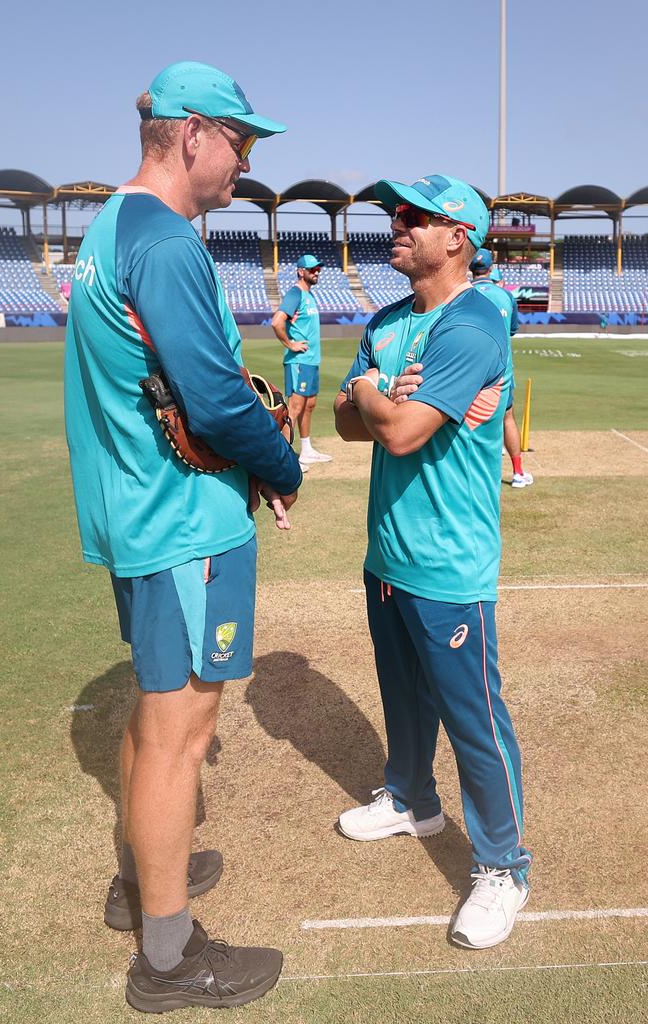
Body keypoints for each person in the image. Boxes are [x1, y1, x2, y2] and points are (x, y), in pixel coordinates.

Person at [63, 60, 302, 1013]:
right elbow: (210, 398)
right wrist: (282, 468)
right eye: (241, 142)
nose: (245, 162)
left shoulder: (110, 225)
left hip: (137, 511)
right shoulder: (167, 243)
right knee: (180, 733)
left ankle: (141, 883)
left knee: (151, 708)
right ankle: (168, 960)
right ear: (193, 133)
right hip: (183, 522)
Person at [334, 174, 532, 950]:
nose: (396, 225)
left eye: (415, 217)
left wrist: (373, 396)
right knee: (404, 696)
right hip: (389, 555)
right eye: (394, 215)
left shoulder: (473, 325)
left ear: (460, 237)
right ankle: (411, 797)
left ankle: (503, 867)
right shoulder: (388, 321)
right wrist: (371, 391)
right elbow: (353, 424)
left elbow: (399, 431)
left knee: (476, 721)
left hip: (451, 563)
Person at [470, 250, 533, 488]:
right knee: (507, 418)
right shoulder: (505, 296)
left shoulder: (463, 293)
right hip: (502, 372)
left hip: (469, 371)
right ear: (490, 268)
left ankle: (476, 476)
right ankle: (517, 473)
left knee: (466, 421)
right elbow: (512, 330)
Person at [271, 254, 332, 469]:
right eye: (312, 269)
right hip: (299, 361)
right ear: (301, 271)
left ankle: (306, 451)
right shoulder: (295, 294)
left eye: (318, 269)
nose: (317, 272)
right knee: (294, 408)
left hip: (311, 361)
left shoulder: (310, 295)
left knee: (309, 405)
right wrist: (290, 344)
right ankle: (283, 459)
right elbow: (277, 322)